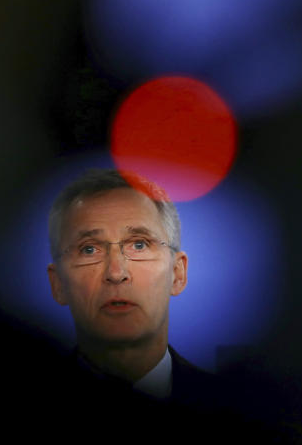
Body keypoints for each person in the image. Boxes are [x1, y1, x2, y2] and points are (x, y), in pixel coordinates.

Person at [46, 168, 221, 407]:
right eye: (89, 249)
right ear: (58, 284)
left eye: (139, 245)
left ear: (177, 273)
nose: (116, 273)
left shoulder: (240, 408)